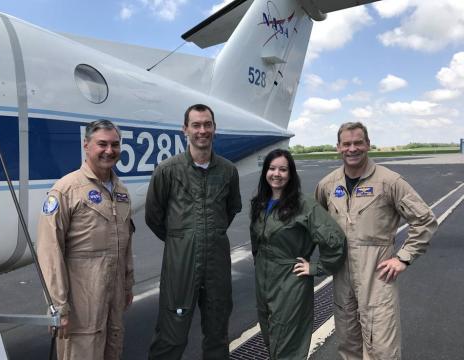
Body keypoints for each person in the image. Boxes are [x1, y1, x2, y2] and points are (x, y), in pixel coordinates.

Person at [315, 122, 438, 360]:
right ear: (338, 148)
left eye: (358, 142)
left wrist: (403, 258)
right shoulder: (328, 185)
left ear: (368, 145)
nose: (352, 149)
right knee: (348, 343)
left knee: (382, 348)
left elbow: (424, 219)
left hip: (377, 277)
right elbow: (314, 222)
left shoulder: (389, 182)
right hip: (342, 278)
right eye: (347, 144)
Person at [145, 104, 242, 359]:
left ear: (214, 128)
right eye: (196, 125)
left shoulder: (228, 171)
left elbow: (230, 211)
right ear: (184, 129)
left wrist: (209, 234)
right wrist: (181, 240)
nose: (202, 130)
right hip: (180, 265)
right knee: (171, 335)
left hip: (217, 265)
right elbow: (153, 216)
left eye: (207, 124)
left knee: (218, 333)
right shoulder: (167, 171)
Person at [37, 120, 134, 360]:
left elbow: (126, 244)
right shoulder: (66, 189)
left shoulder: (121, 191)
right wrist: (58, 306)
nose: (109, 150)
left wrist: (127, 284)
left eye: (114, 144)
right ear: (86, 146)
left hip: (113, 300)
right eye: (102, 144)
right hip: (80, 306)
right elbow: (49, 251)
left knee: (113, 350)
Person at [250, 148, 347, 359]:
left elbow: (335, 239)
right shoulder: (259, 203)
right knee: (270, 335)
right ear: (265, 171)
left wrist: (317, 267)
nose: (276, 174)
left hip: (290, 282)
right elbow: (256, 238)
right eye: (272, 168)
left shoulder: (304, 205)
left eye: (283, 169)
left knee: (288, 344)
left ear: (291, 174)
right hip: (264, 281)